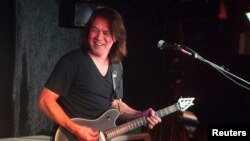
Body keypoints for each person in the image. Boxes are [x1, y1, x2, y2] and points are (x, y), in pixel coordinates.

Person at [37, 7, 161, 141]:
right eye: (94, 30)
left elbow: (114, 104)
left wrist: (139, 114)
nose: (98, 37)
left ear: (116, 37)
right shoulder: (72, 62)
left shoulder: (116, 66)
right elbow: (44, 100)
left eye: (106, 32)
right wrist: (76, 128)